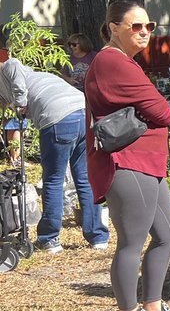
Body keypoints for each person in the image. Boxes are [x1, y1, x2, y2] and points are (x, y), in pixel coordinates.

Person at [85, 1, 170, 311]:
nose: (144, 32)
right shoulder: (112, 61)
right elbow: (161, 110)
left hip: (147, 162)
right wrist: (158, 112)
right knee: (131, 241)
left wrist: (153, 110)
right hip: (127, 163)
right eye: (135, 26)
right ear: (114, 28)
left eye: (149, 26)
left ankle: (153, 309)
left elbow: (153, 107)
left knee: (167, 235)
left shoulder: (124, 63)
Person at [0, 56, 109, 252]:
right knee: (84, 178)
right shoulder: (40, 77)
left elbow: (12, 65)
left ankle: (49, 238)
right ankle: (98, 237)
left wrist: (20, 103)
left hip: (58, 118)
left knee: (53, 180)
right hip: (84, 113)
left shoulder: (8, 68)